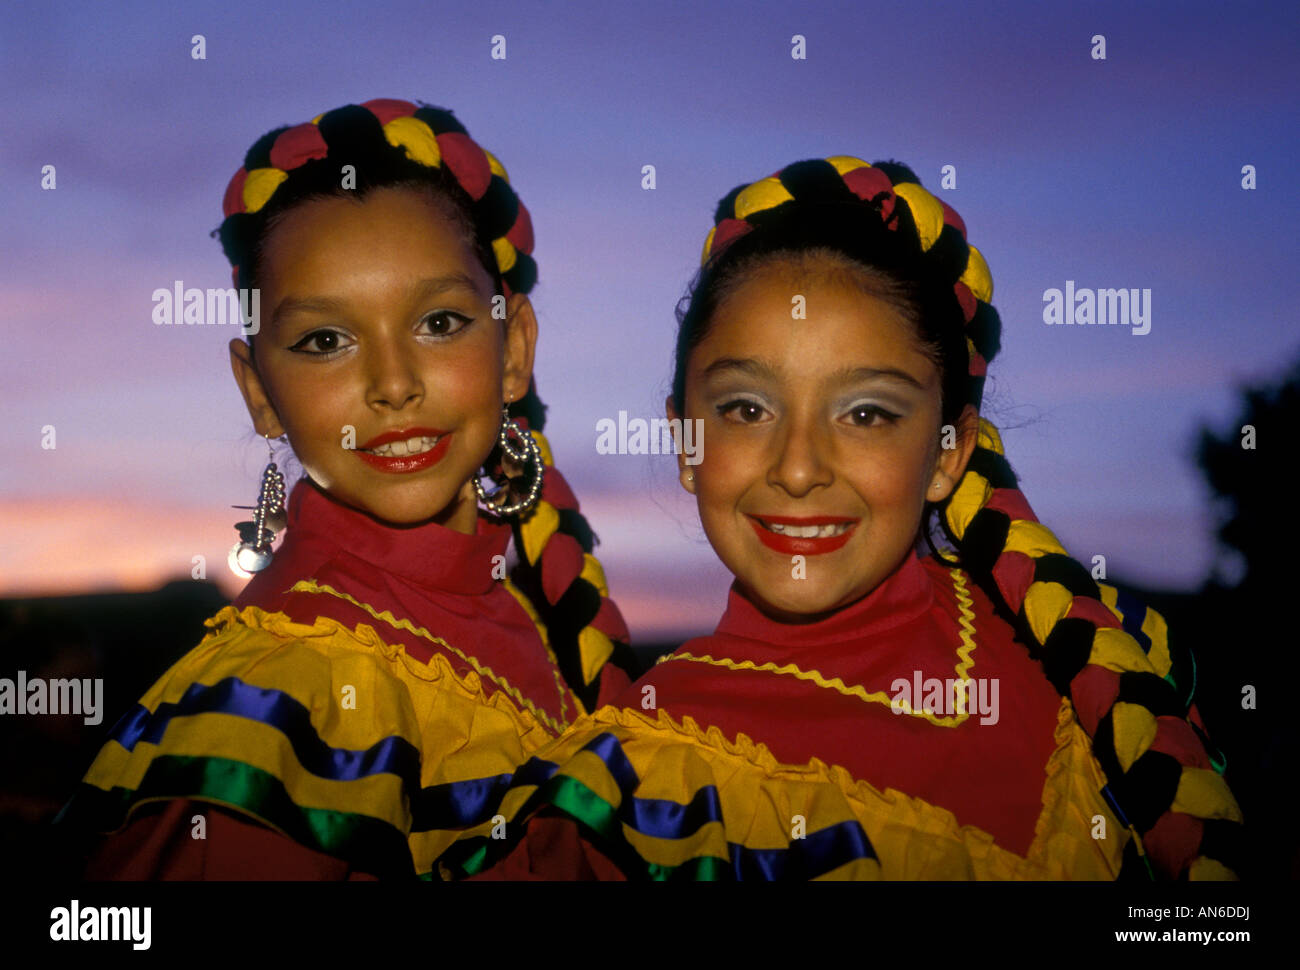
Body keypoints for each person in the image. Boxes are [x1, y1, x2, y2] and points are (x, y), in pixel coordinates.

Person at [446, 157, 1244, 880]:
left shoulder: (1098, 659)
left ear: (948, 452)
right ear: (685, 441)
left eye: (866, 414)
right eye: (747, 408)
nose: (799, 469)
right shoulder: (615, 799)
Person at [56, 98, 636, 880]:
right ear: (258, 391)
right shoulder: (273, 704)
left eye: (439, 322)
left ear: (514, 350)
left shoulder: (537, 626)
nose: (393, 384)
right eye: (325, 340)